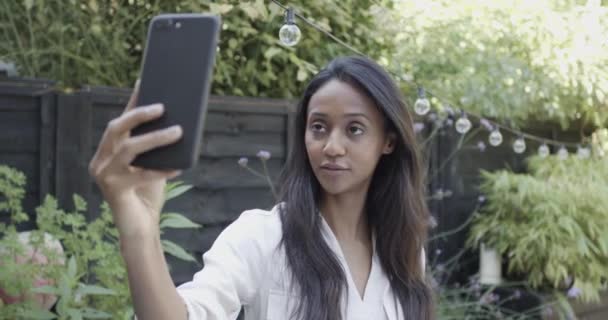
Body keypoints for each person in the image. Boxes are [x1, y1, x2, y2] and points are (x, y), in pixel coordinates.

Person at [89, 56, 434, 320]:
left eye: (354, 129)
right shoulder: (262, 237)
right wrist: (140, 231)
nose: (332, 146)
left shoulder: (404, 247)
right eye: (318, 127)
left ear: (388, 141)